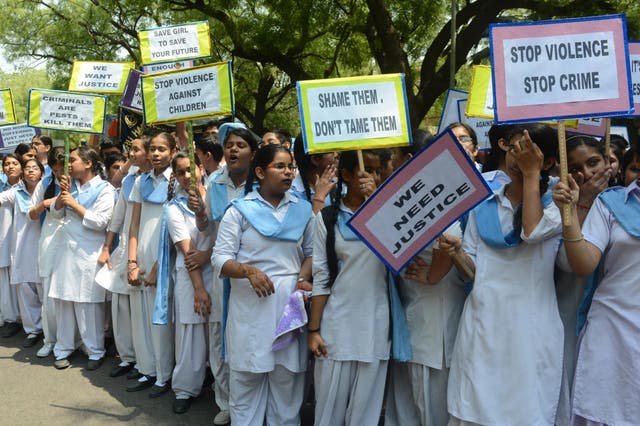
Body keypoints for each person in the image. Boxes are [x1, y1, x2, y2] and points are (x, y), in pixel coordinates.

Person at [444, 123, 563, 425]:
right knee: (474, 412)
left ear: (547, 161)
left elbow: (531, 230)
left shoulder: (558, 206)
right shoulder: (483, 202)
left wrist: (532, 174)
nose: (517, 156)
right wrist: (454, 252)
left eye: (528, 151)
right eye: (513, 147)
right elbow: (473, 269)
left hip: (530, 333)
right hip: (483, 328)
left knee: (524, 412)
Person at [212, 144, 313, 425]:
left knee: (287, 385)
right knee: (246, 384)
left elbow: (312, 254)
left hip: (288, 311)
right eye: (280, 166)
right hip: (250, 311)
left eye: (290, 167)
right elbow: (220, 259)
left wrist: (302, 280)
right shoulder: (239, 211)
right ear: (260, 172)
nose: (288, 173)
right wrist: (248, 271)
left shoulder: (303, 210)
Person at [552, 140, 640, 425]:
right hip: (612, 330)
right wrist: (570, 213)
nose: (587, 173)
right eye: (635, 168)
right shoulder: (612, 203)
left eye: (593, 163)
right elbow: (582, 264)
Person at [384, 136, 466, 426]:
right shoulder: (399, 197)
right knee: (410, 403)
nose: (389, 163)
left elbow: (449, 237)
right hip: (413, 316)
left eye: (392, 156)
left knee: (431, 404)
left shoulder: (439, 192)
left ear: (407, 160)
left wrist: (434, 274)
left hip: (436, 323)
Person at [308, 150, 391, 426]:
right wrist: (314, 330)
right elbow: (320, 277)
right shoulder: (328, 219)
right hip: (337, 327)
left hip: (376, 325)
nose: (372, 177)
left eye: (377, 171)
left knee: (365, 413)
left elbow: (400, 261)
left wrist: (376, 205)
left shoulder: (391, 214)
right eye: (365, 169)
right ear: (345, 175)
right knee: (328, 411)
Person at [202, 126, 259, 426]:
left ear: (253, 152)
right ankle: (226, 402)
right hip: (222, 274)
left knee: (246, 338)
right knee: (219, 337)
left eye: (240, 145)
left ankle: (250, 404)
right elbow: (206, 228)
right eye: (228, 145)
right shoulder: (215, 181)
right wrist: (199, 211)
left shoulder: (262, 184)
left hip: (252, 278)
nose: (233, 150)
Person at [553, 135, 611, 426]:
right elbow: (566, 262)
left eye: (593, 163)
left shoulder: (625, 201)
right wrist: (582, 204)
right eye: (576, 169)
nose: (586, 174)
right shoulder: (559, 202)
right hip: (569, 312)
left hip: (614, 323)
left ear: (609, 162)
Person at [158, 153, 215, 414]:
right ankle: (185, 388)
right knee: (191, 332)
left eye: (191, 169)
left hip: (219, 270)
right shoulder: (173, 208)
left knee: (216, 331)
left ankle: (218, 386)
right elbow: (187, 250)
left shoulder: (217, 195)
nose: (187, 175)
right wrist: (199, 288)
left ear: (201, 167)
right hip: (190, 275)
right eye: (181, 172)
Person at [48, 147, 115, 370]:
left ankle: (94, 350)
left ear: (88, 163)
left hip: (89, 252)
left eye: (73, 160)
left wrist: (74, 204)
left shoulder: (104, 189)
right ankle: (63, 348)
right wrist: (62, 197)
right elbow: (56, 214)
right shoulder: (69, 187)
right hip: (66, 251)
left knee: (88, 304)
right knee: (64, 301)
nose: (68, 164)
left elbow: (100, 222)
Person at [127, 132, 176, 397]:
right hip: (142, 256)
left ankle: (164, 375)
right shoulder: (140, 181)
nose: (156, 154)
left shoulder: (176, 181)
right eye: (153, 150)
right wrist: (132, 262)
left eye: (162, 149)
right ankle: (148, 369)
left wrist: (159, 265)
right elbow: (134, 223)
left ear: (172, 150)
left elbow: (175, 228)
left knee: (161, 319)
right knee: (141, 316)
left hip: (163, 258)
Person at [97, 137, 150, 379]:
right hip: (124, 252)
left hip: (145, 251)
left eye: (137, 149)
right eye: (131, 149)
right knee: (120, 306)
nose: (132, 153)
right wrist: (107, 246)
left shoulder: (164, 180)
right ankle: (127, 357)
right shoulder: (129, 179)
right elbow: (118, 217)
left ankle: (145, 362)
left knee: (141, 311)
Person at [28, 147, 66, 358]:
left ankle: (72, 341)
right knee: (49, 295)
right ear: (51, 168)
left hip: (74, 244)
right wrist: (44, 204)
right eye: (58, 168)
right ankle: (51, 339)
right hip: (51, 241)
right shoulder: (45, 184)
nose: (62, 172)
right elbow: (31, 214)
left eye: (65, 167)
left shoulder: (80, 183)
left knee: (70, 296)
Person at [0, 155, 22, 338]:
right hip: (3, 240)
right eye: (6, 164)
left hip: (21, 240)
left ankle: (25, 320)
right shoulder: (3, 187)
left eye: (15, 163)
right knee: (5, 282)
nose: (10, 167)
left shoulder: (24, 188)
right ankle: (10, 319)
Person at [291, 134, 338, 214]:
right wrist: (319, 198)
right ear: (315, 160)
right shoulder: (292, 196)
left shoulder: (340, 186)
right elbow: (317, 226)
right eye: (331, 151)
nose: (336, 155)